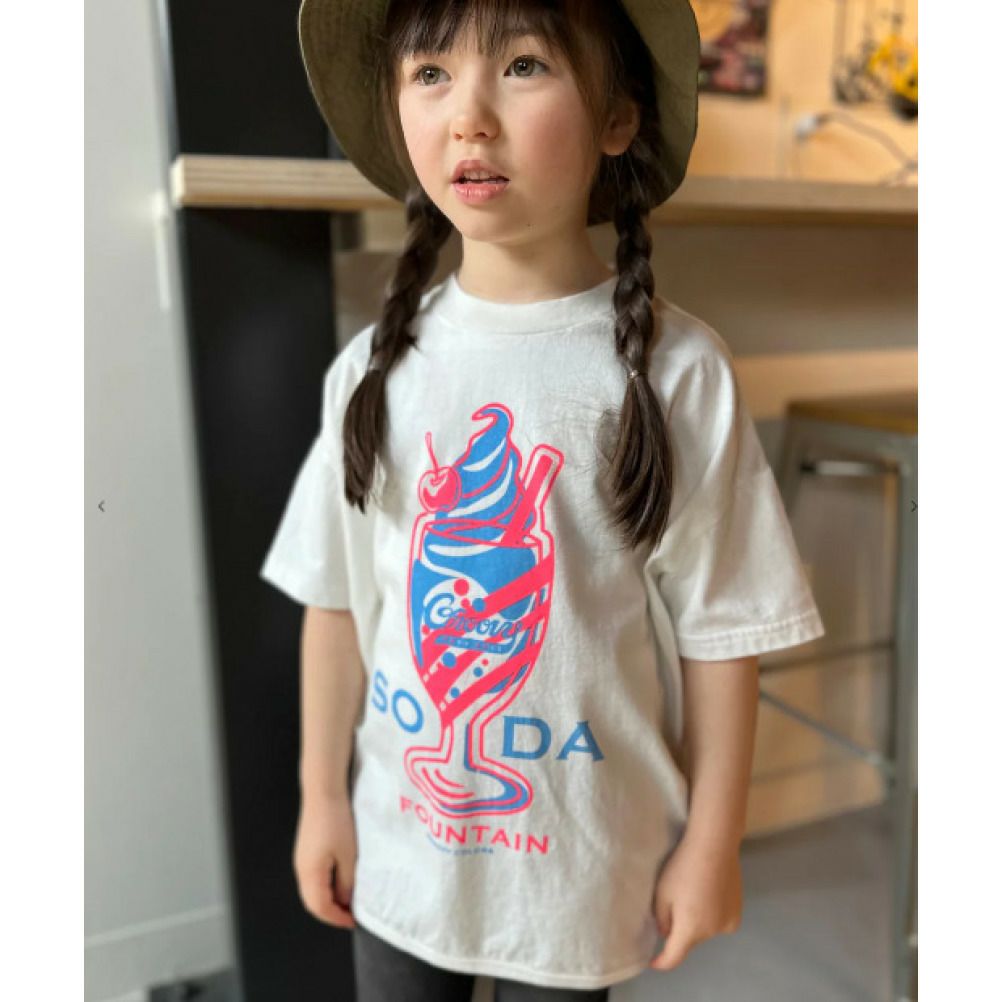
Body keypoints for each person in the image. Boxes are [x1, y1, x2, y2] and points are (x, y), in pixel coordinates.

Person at [260, 1, 826, 999]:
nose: (469, 117)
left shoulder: (678, 374)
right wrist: (322, 799)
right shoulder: (372, 372)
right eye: (430, 73)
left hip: (578, 872)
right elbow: (336, 601)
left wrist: (714, 840)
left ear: (618, 118)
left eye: (523, 66)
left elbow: (725, 631)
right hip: (402, 851)